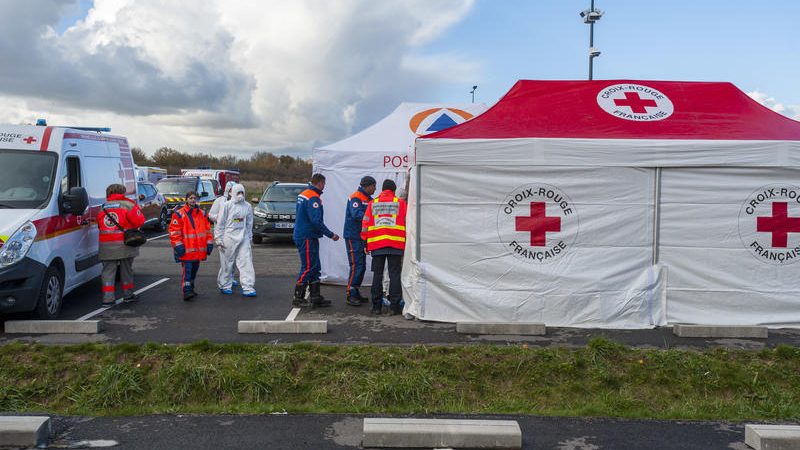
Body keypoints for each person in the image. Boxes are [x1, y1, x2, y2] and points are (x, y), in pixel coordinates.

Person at [292, 173, 339, 307]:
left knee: (315, 266)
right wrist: (331, 234)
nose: (324, 186)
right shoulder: (313, 198)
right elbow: (316, 221)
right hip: (307, 236)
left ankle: (315, 296)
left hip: (306, 235)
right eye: (324, 183)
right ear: (319, 183)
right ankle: (298, 297)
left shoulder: (304, 194)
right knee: (308, 267)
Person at [361, 179, 407, 315]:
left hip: (377, 244)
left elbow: (365, 225)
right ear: (393, 191)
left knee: (378, 275)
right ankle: (394, 307)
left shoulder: (372, 203)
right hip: (396, 244)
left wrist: (365, 243)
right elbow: (407, 223)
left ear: (382, 190)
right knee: (394, 275)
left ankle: (376, 307)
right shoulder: (401, 203)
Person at [97, 183, 146, 306]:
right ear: (122, 192)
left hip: (106, 245)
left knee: (108, 272)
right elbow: (140, 221)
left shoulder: (102, 207)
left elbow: (99, 225)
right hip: (125, 244)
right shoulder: (128, 205)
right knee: (126, 271)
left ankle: (108, 299)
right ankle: (128, 295)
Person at [169, 191, 213, 301]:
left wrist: (209, 243)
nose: (193, 200)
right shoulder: (179, 214)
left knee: (193, 271)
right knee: (187, 272)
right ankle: (187, 291)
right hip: (186, 250)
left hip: (198, 251)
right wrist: (178, 246)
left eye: (195, 198)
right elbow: (174, 232)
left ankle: (191, 288)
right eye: (191, 198)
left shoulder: (202, 214)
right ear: (186, 199)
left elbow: (207, 230)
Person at [214, 184, 256, 297]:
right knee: (227, 262)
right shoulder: (226, 205)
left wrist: (249, 237)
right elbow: (220, 223)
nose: (240, 195)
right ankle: (224, 284)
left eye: (242, 193)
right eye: (238, 193)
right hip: (228, 237)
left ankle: (248, 287)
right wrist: (218, 238)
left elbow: (249, 223)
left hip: (243, 237)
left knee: (246, 262)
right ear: (233, 193)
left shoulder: (247, 206)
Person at [342, 176, 376, 306]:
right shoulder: (356, 197)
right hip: (353, 236)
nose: (375, 189)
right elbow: (356, 214)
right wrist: (372, 217)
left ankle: (355, 290)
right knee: (356, 265)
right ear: (367, 186)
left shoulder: (370, 200)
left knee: (361, 266)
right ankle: (350, 293)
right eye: (374, 186)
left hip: (362, 236)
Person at [209, 181, 240, 288]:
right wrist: (220, 218)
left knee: (233, 259)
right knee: (225, 260)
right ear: (228, 190)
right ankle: (223, 282)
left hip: (234, 235)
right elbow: (211, 215)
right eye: (232, 190)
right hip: (222, 234)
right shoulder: (220, 201)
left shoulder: (237, 202)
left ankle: (230, 278)